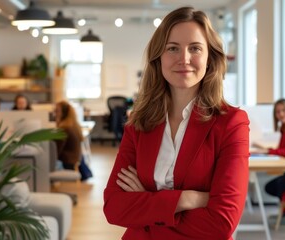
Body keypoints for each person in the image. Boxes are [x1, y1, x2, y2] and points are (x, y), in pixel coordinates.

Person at [103, 7, 250, 240]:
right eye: (172, 48)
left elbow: (222, 222)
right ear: (158, 57)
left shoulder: (231, 123)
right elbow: (114, 207)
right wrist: (187, 199)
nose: (184, 59)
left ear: (209, 57)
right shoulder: (138, 124)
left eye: (195, 48)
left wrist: (147, 205)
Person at [252, 98, 285, 214]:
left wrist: (269, 151)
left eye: (284, 110)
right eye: (278, 112)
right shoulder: (284, 128)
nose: (281, 114)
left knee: (277, 186)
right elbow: (283, 149)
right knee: (272, 186)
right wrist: (270, 151)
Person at [54, 100, 84, 170]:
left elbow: (57, 150)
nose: (54, 113)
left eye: (57, 111)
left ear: (63, 113)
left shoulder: (64, 128)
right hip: (74, 159)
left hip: (67, 162)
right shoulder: (73, 125)